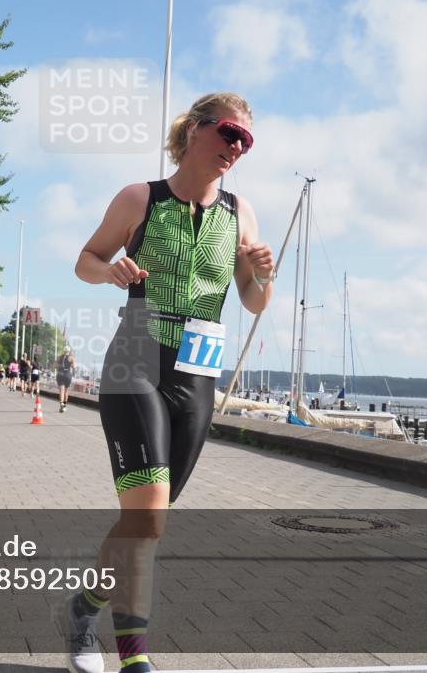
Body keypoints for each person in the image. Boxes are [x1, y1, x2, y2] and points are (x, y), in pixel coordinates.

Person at [65, 92, 273, 673]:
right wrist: (110, 271)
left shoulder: (241, 213)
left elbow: (253, 301)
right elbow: (85, 259)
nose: (237, 147)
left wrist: (262, 276)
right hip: (136, 356)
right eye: (229, 133)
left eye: (246, 141)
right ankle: (134, 659)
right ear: (194, 129)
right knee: (148, 513)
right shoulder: (141, 198)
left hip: (197, 373)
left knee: (146, 523)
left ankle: (83, 607)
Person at [56, 348, 76, 413]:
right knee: (66, 391)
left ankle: (61, 404)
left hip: (60, 374)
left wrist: (60, 366)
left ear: (63, 351)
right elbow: (74, 367)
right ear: (69, 351)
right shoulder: (71, 357)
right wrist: (71, 364)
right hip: (67, 375)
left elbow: (55, 365)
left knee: (61, 391)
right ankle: (64, 405)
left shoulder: (59, 357)